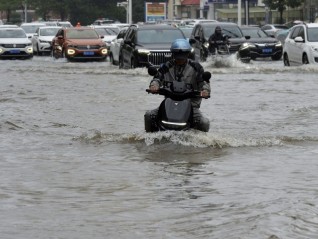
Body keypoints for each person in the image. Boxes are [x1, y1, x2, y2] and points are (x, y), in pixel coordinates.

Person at [145, 39, 211, 132]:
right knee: (149, 116)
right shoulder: (166, 66)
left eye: (182, 56)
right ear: (173, 54)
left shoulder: (196, 67)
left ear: (187, 54)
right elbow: (157, 78)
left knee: (203, 123)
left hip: (191, 106)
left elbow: (204, 82)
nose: (180, 59)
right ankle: (148, 138)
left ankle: (202, 142)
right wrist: (154, 86)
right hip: (169, 104)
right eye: (177, 56)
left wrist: (205, 91)